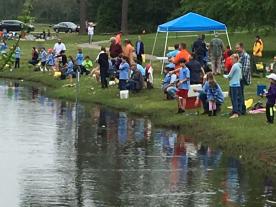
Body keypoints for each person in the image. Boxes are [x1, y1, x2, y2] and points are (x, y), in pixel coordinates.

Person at [223, 54, 243, 118]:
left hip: (233, 85)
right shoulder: (239, 66)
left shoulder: (234, 66)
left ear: (236, 59)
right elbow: (240, 76)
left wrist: (225, 76)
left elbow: (230, 75)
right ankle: (238, 111)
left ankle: (235, 113)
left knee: (234, 99)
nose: (231, 60)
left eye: (232, 59)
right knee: (238, 98)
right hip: (238, 84)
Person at [236, 42, 251, 115]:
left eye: (238, 48)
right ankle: (241, 108)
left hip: (242, 78)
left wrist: (240, 77)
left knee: (240, 93)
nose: (236, 49)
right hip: (239, 77)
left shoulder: (245, 56)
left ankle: (242, 109)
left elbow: (246, 68)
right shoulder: (240, 55)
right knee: (239, 93)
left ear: (242, 47)